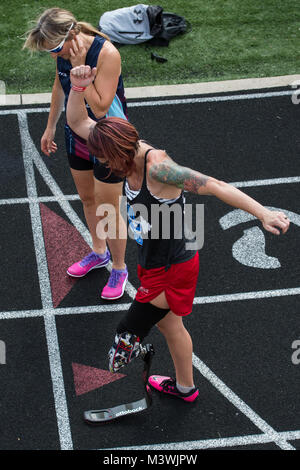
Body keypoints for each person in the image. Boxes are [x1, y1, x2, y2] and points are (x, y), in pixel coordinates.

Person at [66, 65, 290, 403]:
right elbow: (78, 123)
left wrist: (263, 213)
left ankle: (173, 380)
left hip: (173, 266)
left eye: (105, 161)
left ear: (121, 154)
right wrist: (77, 88)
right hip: (154, 260)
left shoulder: (159, 170)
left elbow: (213, 185)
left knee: (125, 337)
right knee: (171, 327)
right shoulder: (116, 140)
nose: (105, 167)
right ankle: (185, 388)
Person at [23, 8, 128, 300]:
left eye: (57, 48)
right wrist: (50, 127)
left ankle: (119, 268)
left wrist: (81, 68)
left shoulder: (107, 53)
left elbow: (101, 106)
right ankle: (99, 251)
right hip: (75, 134)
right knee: (87, 198)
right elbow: (60, 85)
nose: (55, 55)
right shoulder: (63, 53)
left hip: (108, 138)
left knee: (109, 208)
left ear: (72, 35)